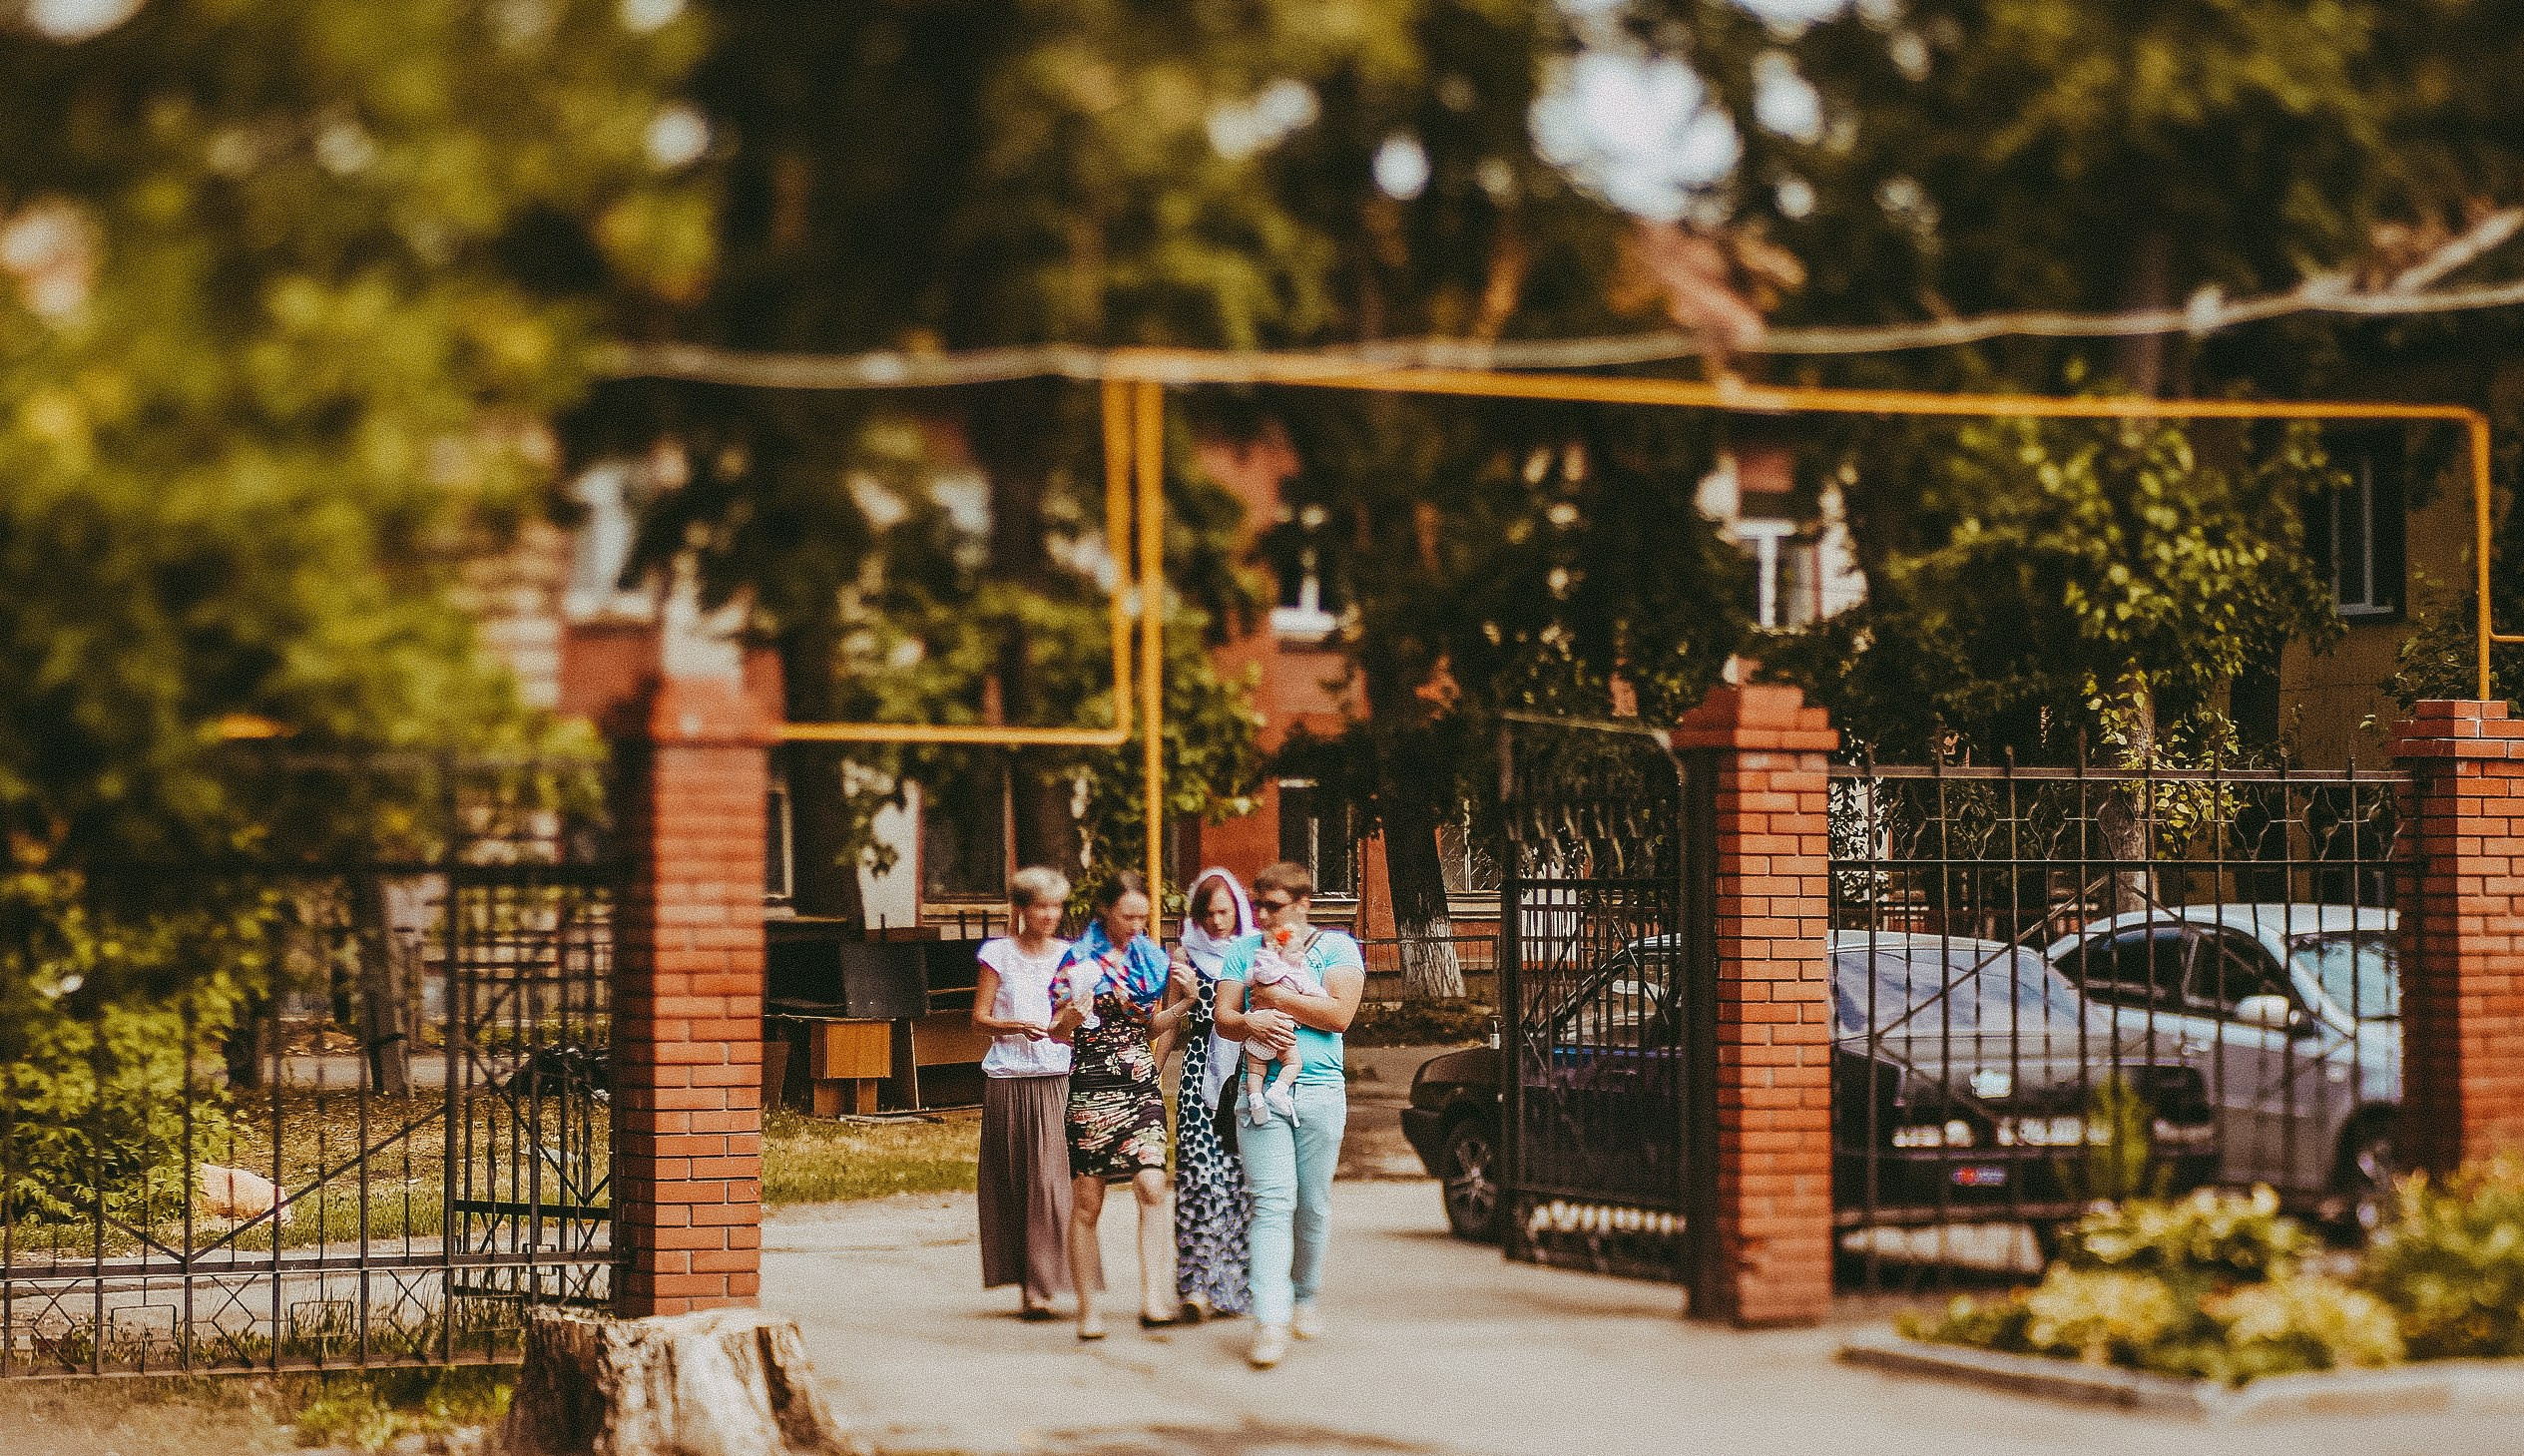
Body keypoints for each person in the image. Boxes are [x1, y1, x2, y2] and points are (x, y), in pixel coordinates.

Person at [1214, 860, 1363, 1369]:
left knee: (1312, 1205)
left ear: (1303, 904)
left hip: (1319, 1088)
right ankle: (1269, 1320)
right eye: (1257, 905)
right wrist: (1249, 1018)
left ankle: (1304, 1296)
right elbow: (1224, 1018)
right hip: (1259, 1092)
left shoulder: (1337, 947)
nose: (1260, 915)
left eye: (1272, 906)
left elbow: (1339, 1014)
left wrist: (1277, 997)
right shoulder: (1243, 950)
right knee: (1272, 1203)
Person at [1050, 871, 1196, 1339]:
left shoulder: (1151, 960)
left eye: (1143, 916)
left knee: (1152, 1186)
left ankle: (1154, 1299)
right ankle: (1088, 1311)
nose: (1137, 924)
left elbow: (1151, 1026)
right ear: (1105, 912)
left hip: (1140, 1086)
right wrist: (1074, 1011)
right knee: (1088, 1203)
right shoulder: (1076, 960)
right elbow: (1057, 1030)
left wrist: (1185, 1002)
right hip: (1091, 1087)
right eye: (1128, 915)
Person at [969, 866, 1076, 1319]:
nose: (1050, 915)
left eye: (1056, 906)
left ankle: (1048, 1279)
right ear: (1020, 909)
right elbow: (979, 1019)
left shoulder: (1071, 956)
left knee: (1051, 1181)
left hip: (1056, 1076)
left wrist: (1066, 1025)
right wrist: (1016, 1027)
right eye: (1040, 907)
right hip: (1008, 1079)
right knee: (1014, 1181)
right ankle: (1027, 1283)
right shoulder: (998, 954)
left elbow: (1076, 1018)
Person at [1171, 868, 1259, 1322]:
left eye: (1224, 911)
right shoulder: (1187, 955)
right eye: (1208, 914)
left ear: (1238, 909)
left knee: (1241, 1182)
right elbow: (1169, 1021)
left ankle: (1233, 1290)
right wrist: (1150, 1065)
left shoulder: (1257, 954)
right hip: (1199, 1079)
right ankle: (1196, 1288)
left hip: (1248, 1078)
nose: (1217, 921)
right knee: (1199, 1180)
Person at [1241, 928, 1325, 1127]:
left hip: (1257, 1028)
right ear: (1280, 953)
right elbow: (1317, 994)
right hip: (1280, 1029)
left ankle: (1255, 1099)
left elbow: (1247, 978)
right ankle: (1278, 1090)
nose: (1301, 955)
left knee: (1255, 1071)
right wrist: (1323, 997)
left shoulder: (1260, 969)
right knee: (1293, 1063)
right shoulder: (1294, 974)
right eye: (1296, 951)